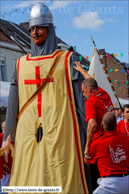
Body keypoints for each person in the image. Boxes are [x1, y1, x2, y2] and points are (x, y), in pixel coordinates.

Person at [3, 2, 90, 193]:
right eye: (32, 28)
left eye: (39, 28)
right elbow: (13, 103)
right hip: (28, 134)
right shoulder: (20, 64)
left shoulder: (67, 60)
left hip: (61, 131)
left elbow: (81, 102)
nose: (34, 33)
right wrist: (8, 137)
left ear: (49, 29)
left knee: (60, 173)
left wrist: (88, 138)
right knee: (29, 175)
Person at [74, 61, 115, 190]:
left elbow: (92, 124)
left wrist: (87, 147)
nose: (83, 95)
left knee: (94, 179)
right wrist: (81, 70)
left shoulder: (91, 102)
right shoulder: (104, 93)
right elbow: (91, 80)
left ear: (89, 90)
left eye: (84, 91)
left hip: (98, 145)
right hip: (112, 140)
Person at [85, 112, 129, 194]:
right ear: (116, 124)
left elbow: (87, 161)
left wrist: (87, 147)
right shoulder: (124, 136)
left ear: (101, 124)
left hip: (110, 183)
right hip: (127, 180)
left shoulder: (97, 143)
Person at [0, 122, 13, 194]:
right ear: (3, 128)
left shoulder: (10, 137)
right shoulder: (0, 136)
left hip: (7, 166)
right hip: (5, 165)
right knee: (4, 187)